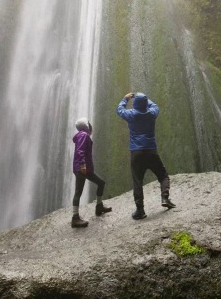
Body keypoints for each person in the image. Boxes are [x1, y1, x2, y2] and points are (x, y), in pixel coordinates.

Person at [116, 92, 176, 220]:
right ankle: (165, 197)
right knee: (163, 175)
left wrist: (125, 98)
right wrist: (146, 99)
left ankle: (140, 210)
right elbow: (155, 106)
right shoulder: (152, 114)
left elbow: (119, 110)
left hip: (136, 152)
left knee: (137, 181)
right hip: (151, 150)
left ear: (135, 104)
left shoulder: (131, 114)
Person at [71, 117, 112, 228]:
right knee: (78, 192)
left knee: (101, 183)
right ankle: (75, 218)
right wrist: (83, 165)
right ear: (86, 125)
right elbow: (80, 151)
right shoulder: (83, 135)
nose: (90, 126)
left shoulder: (81, 135)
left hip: (85, 169)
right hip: (82, 169)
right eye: (88, 124)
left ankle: (99, 206)